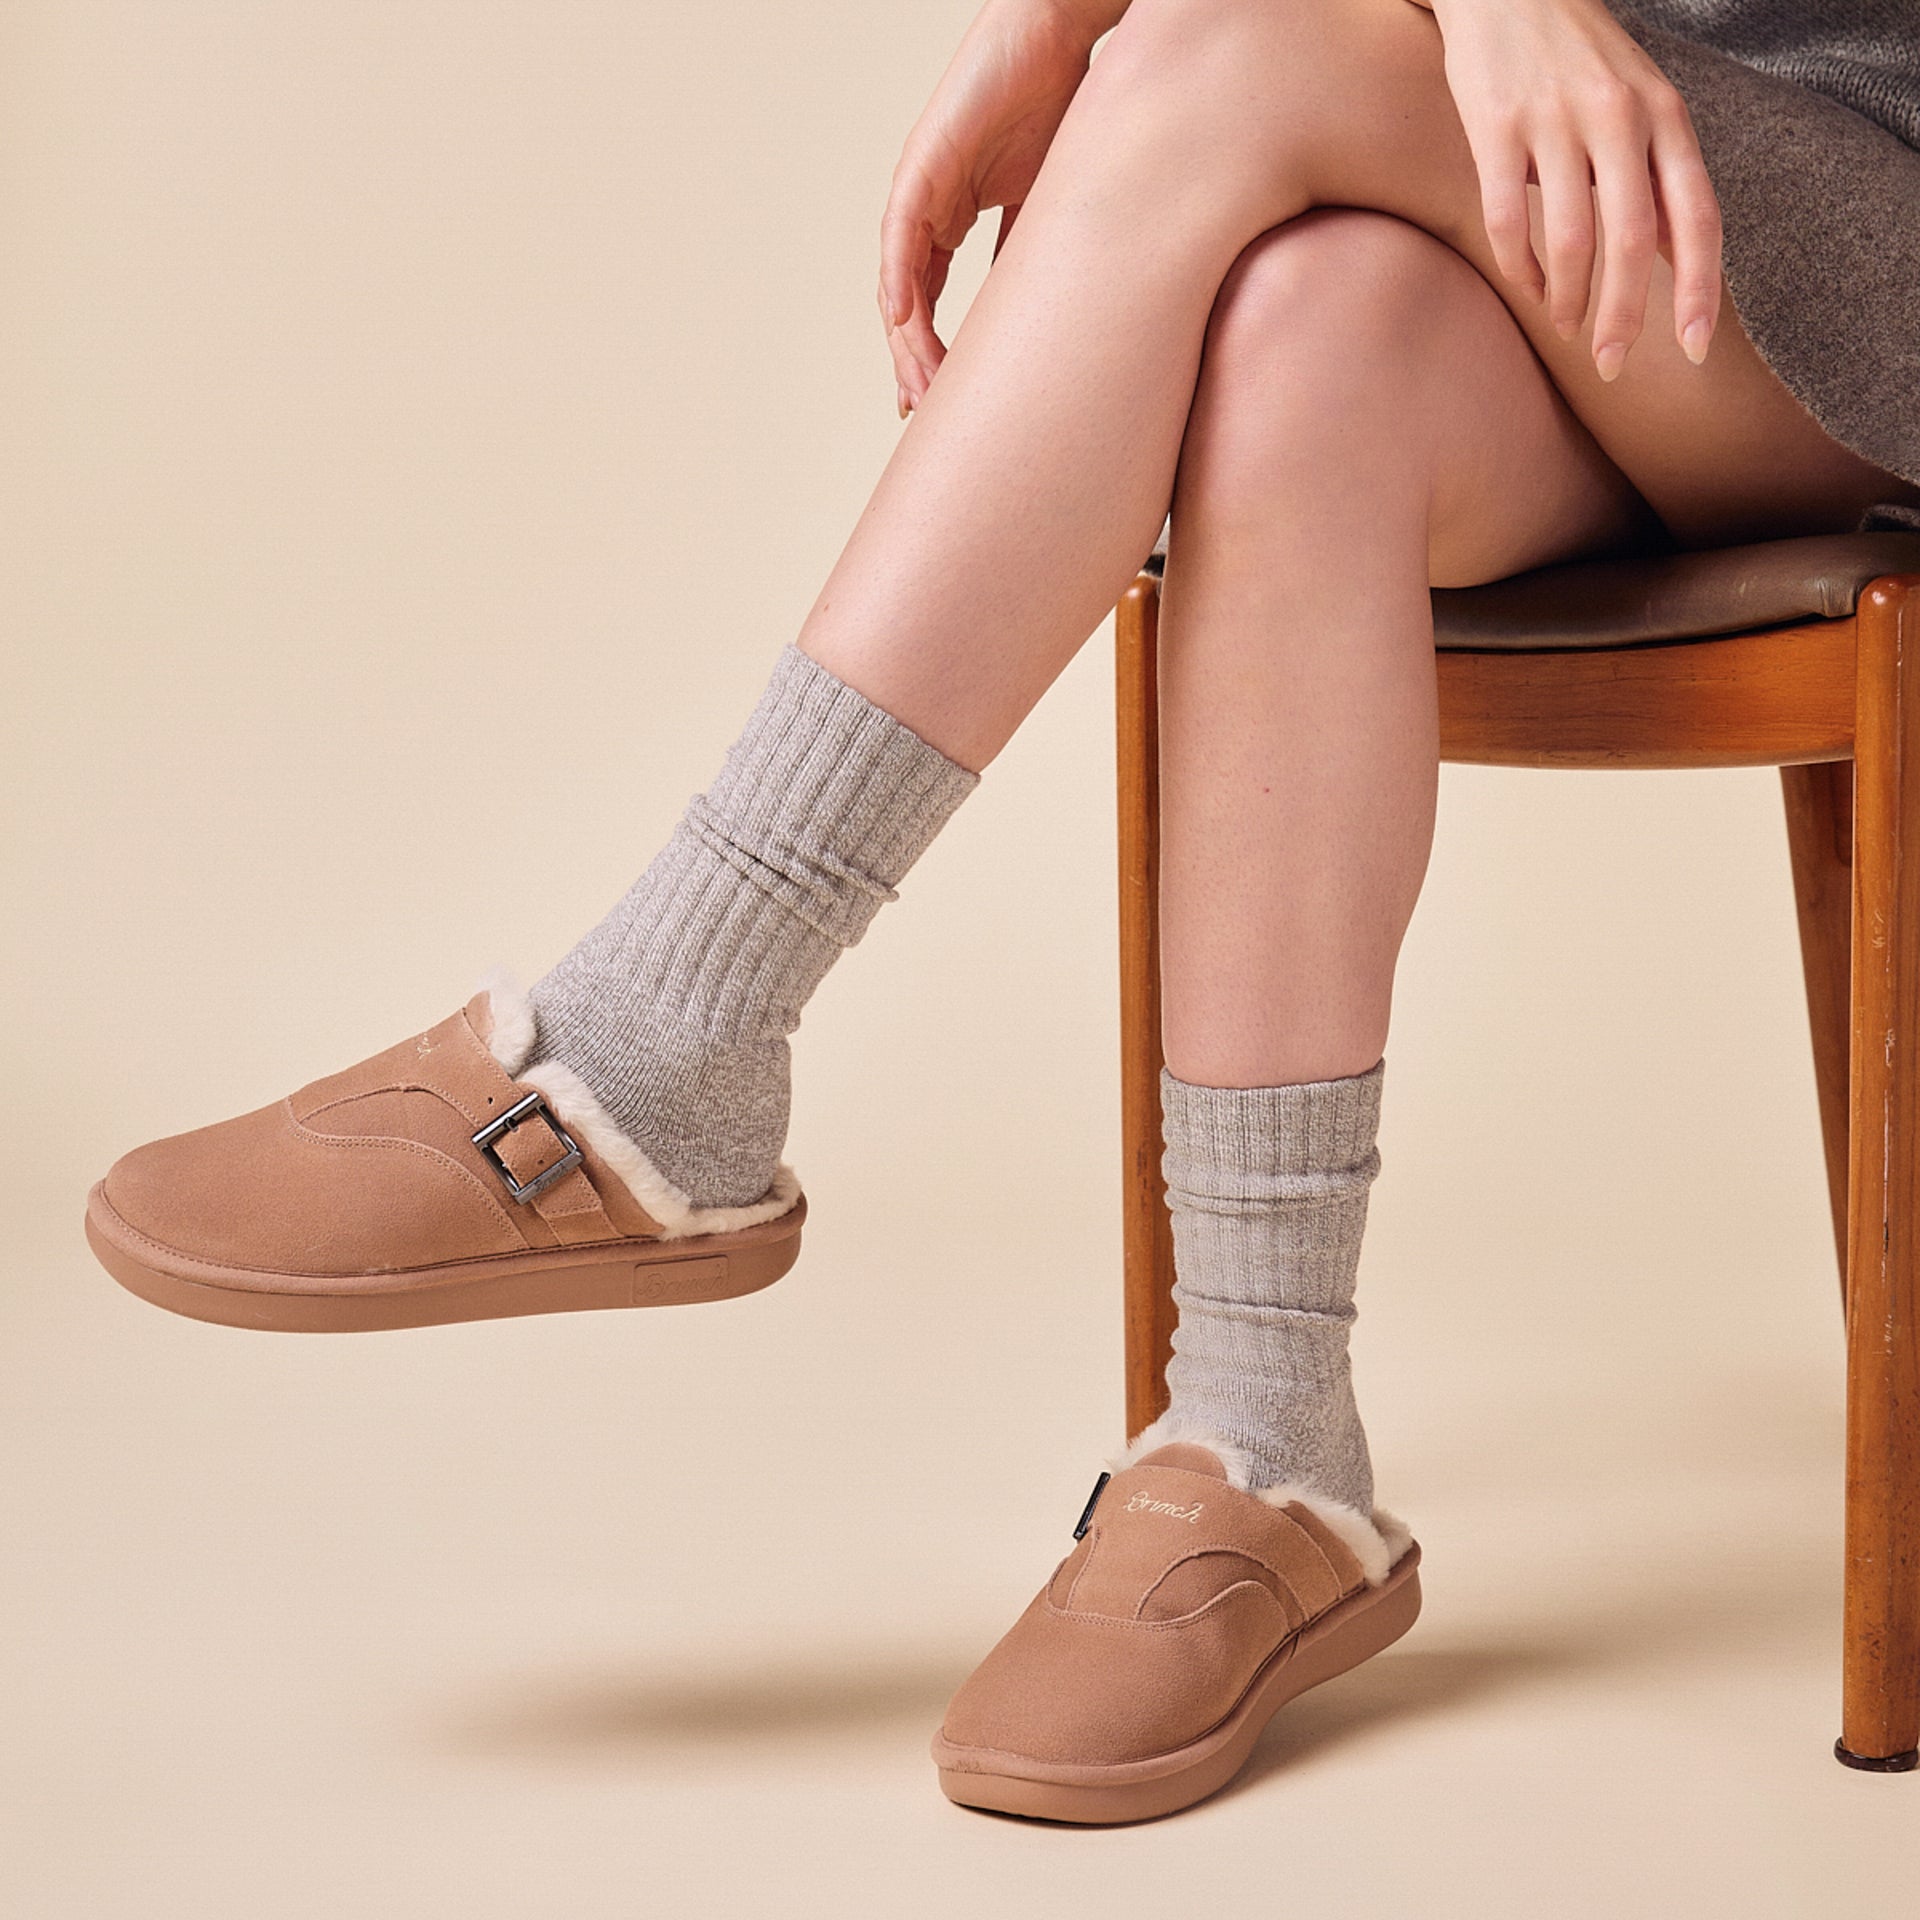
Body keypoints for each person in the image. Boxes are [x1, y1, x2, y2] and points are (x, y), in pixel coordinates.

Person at [83, 0, 1920, 1822]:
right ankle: (1266, 1440)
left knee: (1224, 53)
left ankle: (667, 1035)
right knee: (1306, 336)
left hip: (1862, 203)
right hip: (1594, 232)